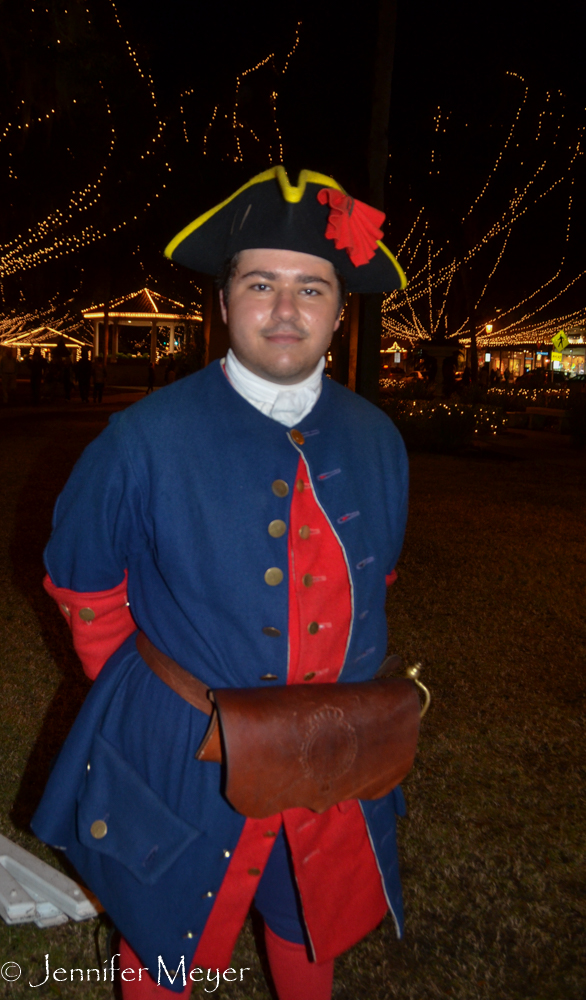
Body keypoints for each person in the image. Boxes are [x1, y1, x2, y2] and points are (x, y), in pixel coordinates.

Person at [32, 166, 410, 1000]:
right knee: (163, 945)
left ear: (341, 310)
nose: (285, 310)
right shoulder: (140, 439)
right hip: (183, 755)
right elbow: (84, 586)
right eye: (261, 284)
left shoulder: (380, 439)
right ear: (225, 301)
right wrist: (162, 709)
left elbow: (376, 575)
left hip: (335, 755)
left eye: (311, 288)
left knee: (308, 927)